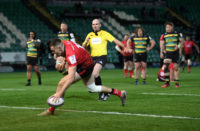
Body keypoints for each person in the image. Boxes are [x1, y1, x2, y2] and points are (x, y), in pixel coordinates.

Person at [38, 39, 127, 116]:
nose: (53, 54)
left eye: (54, 51)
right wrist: (62, 60)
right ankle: (120, 93)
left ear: (60, 48)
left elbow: (71, 78)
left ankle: (51, 110)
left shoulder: (71, 55)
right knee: (92, 88)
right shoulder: (64, 43)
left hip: (85, 67)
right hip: (86, 62)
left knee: (62, 83)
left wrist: (59, 93)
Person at [82, 19, 127, 101]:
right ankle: (105, 92)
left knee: (95, 74)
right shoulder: (89, 35)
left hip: (102, 57)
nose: (95, 26)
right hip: (92, 58)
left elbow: (115, 40)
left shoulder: (104, 33)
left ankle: (102, 93)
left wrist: (125, 47)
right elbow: (83, 48)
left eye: (96, 24)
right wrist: (85, 43)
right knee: (91, 77)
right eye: (93, 24)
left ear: (100, 25)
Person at [160, 22, 184, 88]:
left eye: (168, 27)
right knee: (165, 66)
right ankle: (167, 83)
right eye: (166, 27)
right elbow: (162, 44)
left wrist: (178, 46)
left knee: (176, 68)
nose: (166, 28)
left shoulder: (177, 34)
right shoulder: (164, 35)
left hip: (176, 53)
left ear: (171, 27)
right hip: (168, 53)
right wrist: (161, 52)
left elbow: (182, 42)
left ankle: (177, 83)